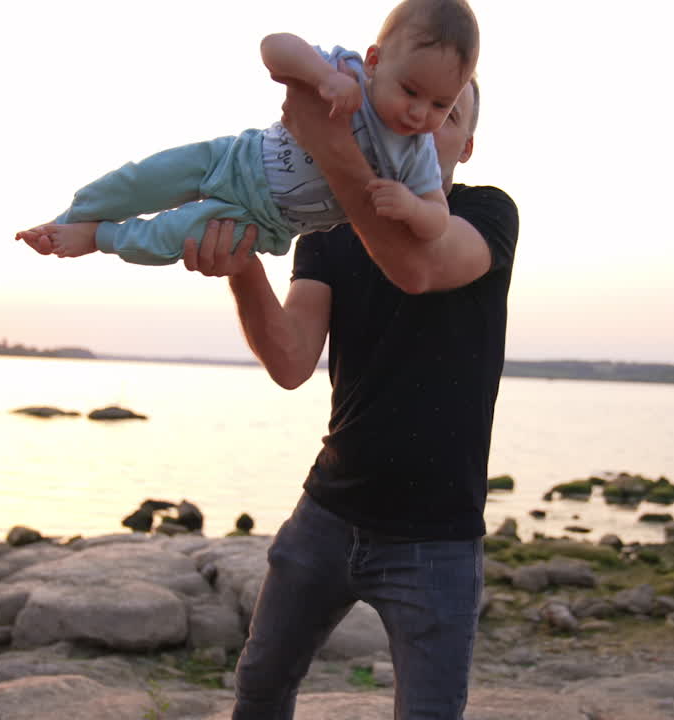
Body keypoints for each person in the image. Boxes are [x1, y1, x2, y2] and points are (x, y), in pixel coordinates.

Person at [183, 71, 519, 720]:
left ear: (467, 146)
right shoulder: (327, 233)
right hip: (328, 517)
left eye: (448, 114)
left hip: (436, 539)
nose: (425, 123)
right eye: (416, 102)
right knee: (259, 684)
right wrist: (243, 268)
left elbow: (417, 268)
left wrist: (329, 147)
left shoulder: (488, 214)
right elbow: (289, 360)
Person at [16, 0, 479, 267]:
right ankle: (74, 214)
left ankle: (98, 237)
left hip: (265, 219)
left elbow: (437, 218)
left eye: (442, 105)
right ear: (375, 61)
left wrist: (413, 207)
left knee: (175, 236)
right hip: (236, 156)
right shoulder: (348, 72)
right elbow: (274, 47)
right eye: (411, 92)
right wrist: (322, 76)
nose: (420, 114)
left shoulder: (415, 156)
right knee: (145, 177)